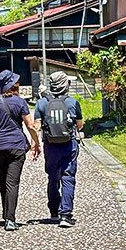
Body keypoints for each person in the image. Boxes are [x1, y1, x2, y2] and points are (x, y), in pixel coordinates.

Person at [0, 70, 41, 231]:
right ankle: (10, 219)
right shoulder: (20, 103)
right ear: (14, 85)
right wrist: (36, 143)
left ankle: (6, 214)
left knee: (3, 180)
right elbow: (30, 126)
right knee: (12, 182)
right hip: (17, 146)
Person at [34, 71, 84, 228]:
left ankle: (54, 211)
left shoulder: (42, 103)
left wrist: (34, 144)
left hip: (50, 145)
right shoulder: (73, 102)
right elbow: (80, 124)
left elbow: (36, 126)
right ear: (65, 85)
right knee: (68, 176)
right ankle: (66, 215)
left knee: (53, 176)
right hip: (69, 144)